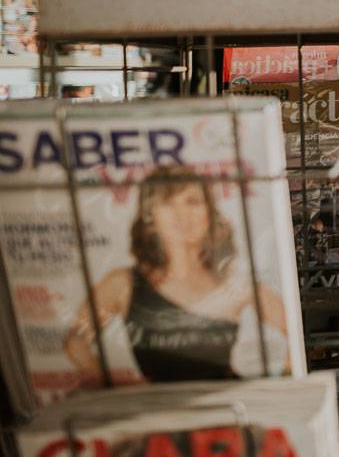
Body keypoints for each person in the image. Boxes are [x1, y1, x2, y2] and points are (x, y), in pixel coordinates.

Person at [64, 164, 291, 384]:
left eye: (192, 201)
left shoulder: (234, 283)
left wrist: (277, 389)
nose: (182, 215)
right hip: (158, 416)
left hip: (228, 411)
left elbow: (293, 331)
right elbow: (75, 342)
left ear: (209, 212)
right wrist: (115, 395)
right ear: (149, 217)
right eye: (167, 203)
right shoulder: (123, 283)